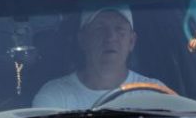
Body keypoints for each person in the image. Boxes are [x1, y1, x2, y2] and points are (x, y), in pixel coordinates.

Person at [32, 6, 168, 110]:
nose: (110, 38)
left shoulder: (155, 93)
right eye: (100, 29)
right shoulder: (55, 97)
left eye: (119, 29)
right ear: (83, 40)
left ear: (131, 41)